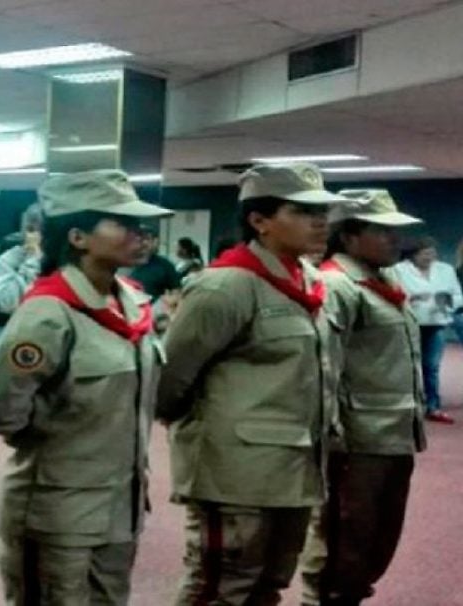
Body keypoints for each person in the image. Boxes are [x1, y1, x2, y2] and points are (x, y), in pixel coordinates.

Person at [156, 163, 347, 605]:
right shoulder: (225, 287)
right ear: (259, 221)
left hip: (295, 466)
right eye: (302, 211)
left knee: (270, 585)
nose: (321, 221)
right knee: (222, 587)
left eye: (323, 210)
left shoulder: (311, 283)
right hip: (234, 472)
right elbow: (171, 379)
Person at [0, 170, 172, 605]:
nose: (138, 234)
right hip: (58, 506)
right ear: (77, 236)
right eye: (121, 223)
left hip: (120, 503)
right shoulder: (48, 314)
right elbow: (3, 405)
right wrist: (53, 446)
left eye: (139, 225)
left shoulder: (132, 305)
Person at [296, 189, 427, 606]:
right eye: (382, 231)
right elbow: (326, 368)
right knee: (344, 540)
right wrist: (333, 437)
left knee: (376, 537)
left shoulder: (382, 280)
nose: (395, 240)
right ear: (349, 236)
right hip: (357, 438)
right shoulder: (338, 285)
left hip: (392, 431)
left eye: (396, 232)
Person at [394, 236, 461, 423]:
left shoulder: (445, 270)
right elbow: (392, 292)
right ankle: (409, 405)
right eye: (425, 253)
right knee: (408, 366)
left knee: (431, 367)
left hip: (437, 322)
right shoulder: (398, 270)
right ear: (413, 255)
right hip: (410, 322)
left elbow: (458, 296)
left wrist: (449, 301)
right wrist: (410, 299)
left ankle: (433, 406)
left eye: (432, 253)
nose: (429, 257)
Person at [0, 202, 43, 314]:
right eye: (32, 230)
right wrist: (34, 260)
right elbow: (7, 304)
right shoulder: (7, 261)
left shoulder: (68, 257)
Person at [129, 226, 181, 300]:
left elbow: (176, 291)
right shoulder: (126, 261)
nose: (144, 242)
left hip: (154, 308)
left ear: (154, 242)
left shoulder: (165, 265)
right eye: (140, 239)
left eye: (147, 239)